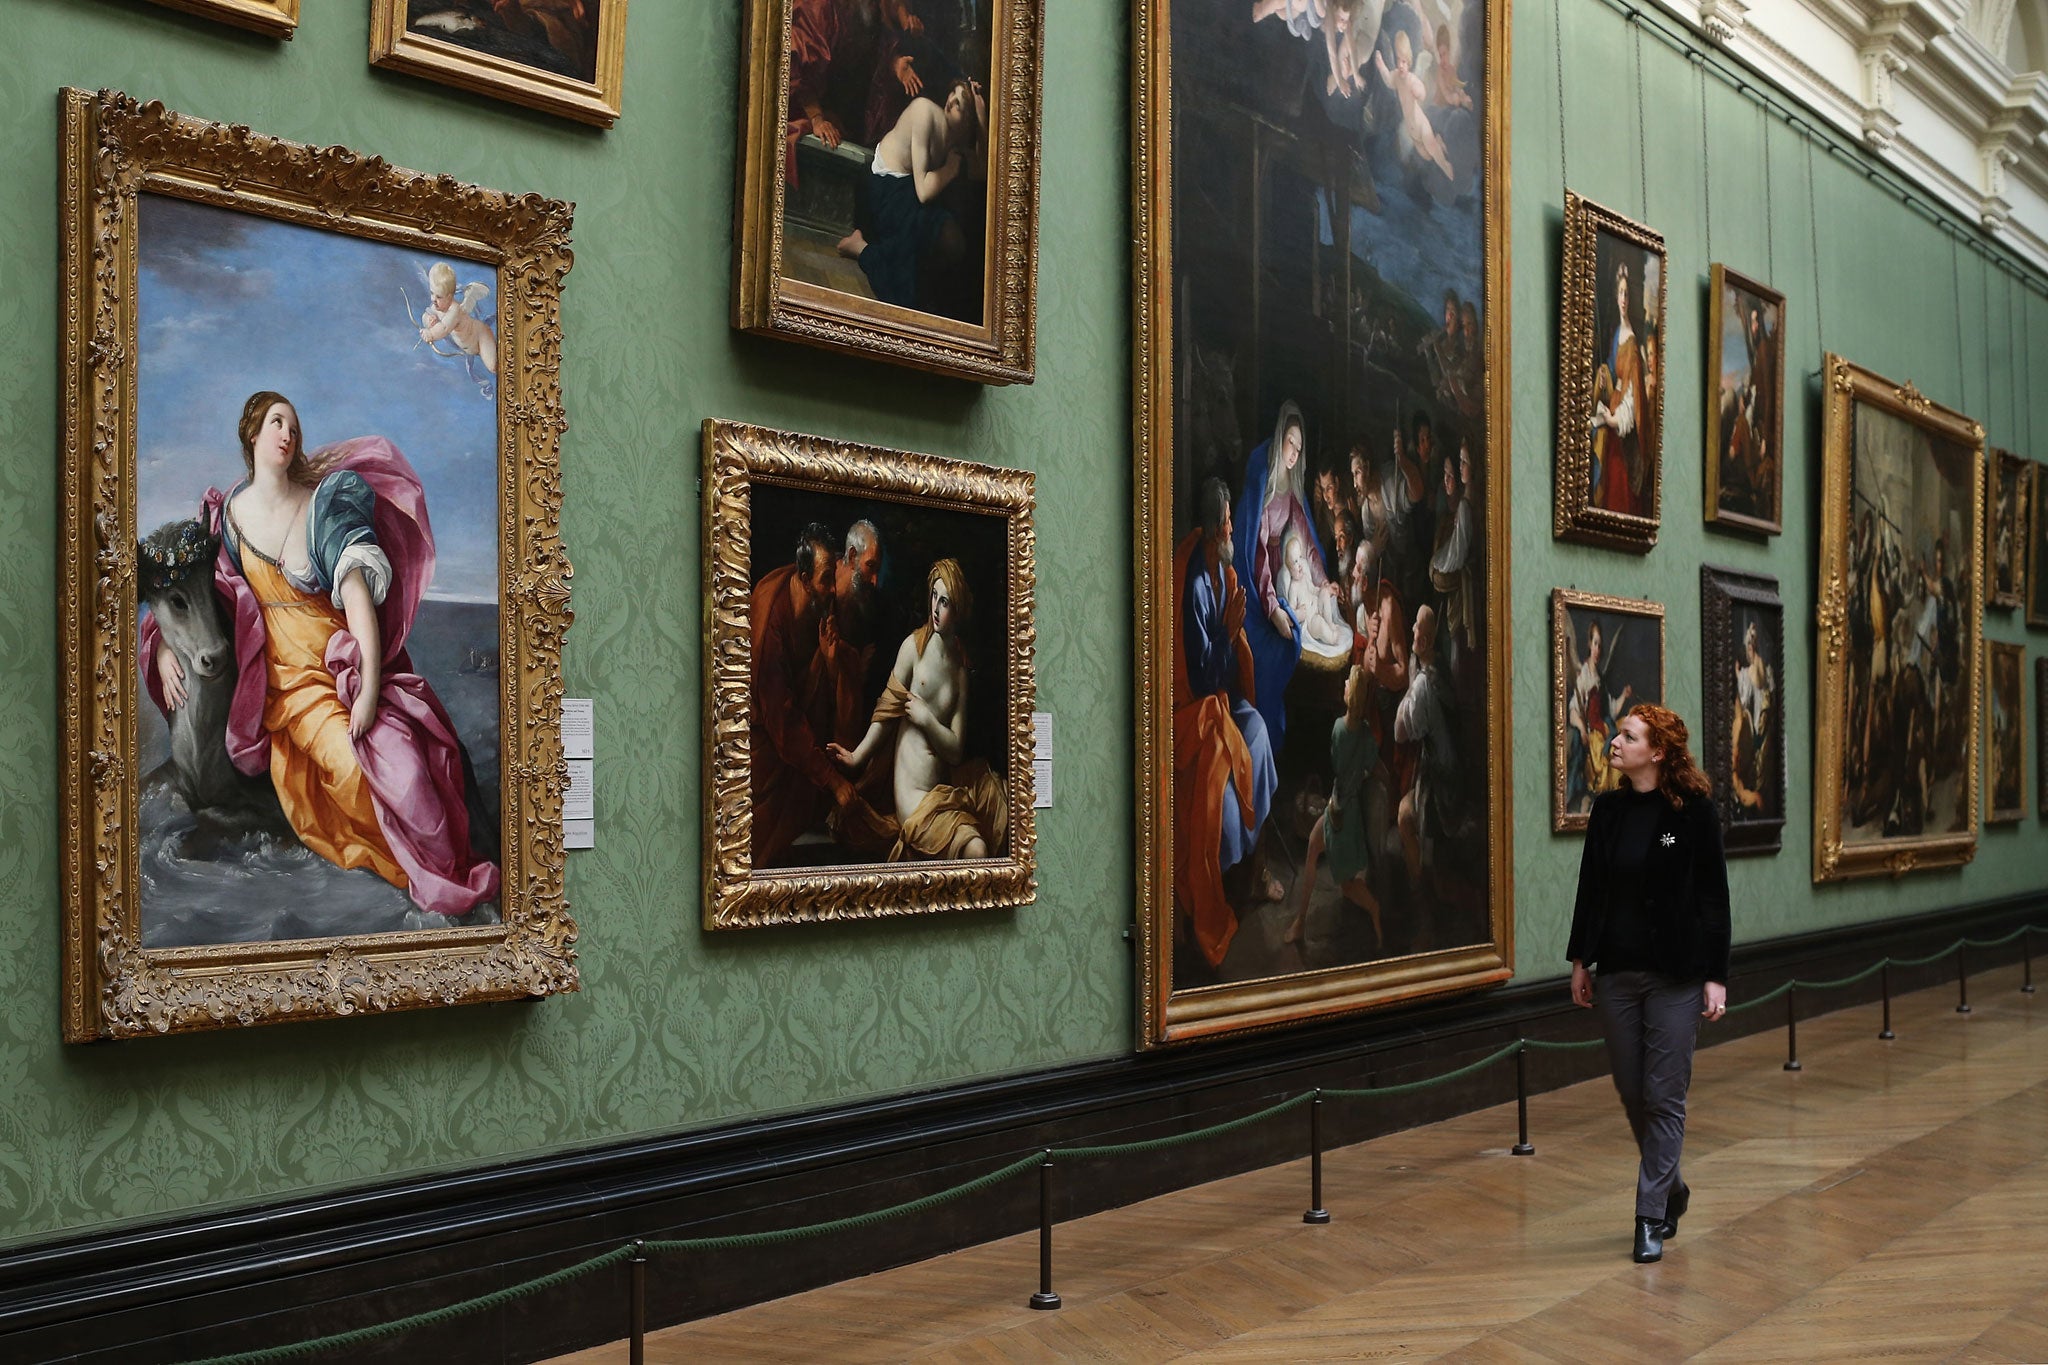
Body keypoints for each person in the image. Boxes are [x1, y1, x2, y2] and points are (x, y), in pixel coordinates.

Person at [145, 392, 500, 914]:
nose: (287, 434)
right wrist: (159, 650)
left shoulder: (323, 506)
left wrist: (371, 691)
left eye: (293, 425)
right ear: (251, 435)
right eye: (276, 423)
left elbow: (357, 599)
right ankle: (406, 863)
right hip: (286, 684)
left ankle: (441, 869)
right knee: (356, 775)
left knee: (404, 769)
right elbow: (184, 587)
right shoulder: (228, 518)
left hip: (341, 665)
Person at [1566, 703, 1730, 1265]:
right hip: (1615, 972)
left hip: (1677, 977)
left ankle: (1648, 1216)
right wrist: (1580, 960)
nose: (1614, 741)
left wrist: (1716, 976)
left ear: (1656, 753)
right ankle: (1673, 1187)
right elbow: (1590, 889)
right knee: (1635, 1093)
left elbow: (1713, 898)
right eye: (1617, 734)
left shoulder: (1692, 814)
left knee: (1664, 1095)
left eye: (1628, 736)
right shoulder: (1607, 811)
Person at [829, 558, 1007, 861]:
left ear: (959, 609)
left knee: (1003, 803)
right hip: (915, 800)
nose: (936, 608)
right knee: (976, 847)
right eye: (934, 597)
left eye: (946, 602)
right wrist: (857, 756)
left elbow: (954, 751)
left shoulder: (960, 672)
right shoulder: (913, 648)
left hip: (945, 789)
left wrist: (926, 719)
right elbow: (886, 712)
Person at [1174, 478, 1281, 968]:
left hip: (1220, 698)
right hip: (1194, 712)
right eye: (1229, 521)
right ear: (1217, 528)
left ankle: (1251, 865)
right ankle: (1216, 880)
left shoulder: (1222, 571)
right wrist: (1229, 632)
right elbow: (1199, 676)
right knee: (1222, 761)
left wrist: (1232, 633)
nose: (1233, 526)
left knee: (1257, 730)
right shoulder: (1195, 583)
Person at [751, 523, 862, 866]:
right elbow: (782, 720)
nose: (831, 590)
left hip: (800, 740)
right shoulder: (771, 623)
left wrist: (829, 663)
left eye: (832, 578)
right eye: (825, 579)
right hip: (767, 745)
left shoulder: (819, 605)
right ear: (802, 578)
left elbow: (819, 694)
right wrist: (833, 782)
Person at [836, 76, 986, 313]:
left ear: (969, 121)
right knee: (904, 287)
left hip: (909, 194)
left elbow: (981, 173)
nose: (950, 102)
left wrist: (982, 119)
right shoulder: (924, 112)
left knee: (954, 243)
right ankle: (860, 248)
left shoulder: (959, 136)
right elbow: (924, 193)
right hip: (884, 188)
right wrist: (949, 170)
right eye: (952, 94)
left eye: (959, 103)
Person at [1284, 662, 1382, 948]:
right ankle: (1301, 922)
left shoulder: (1340, 729)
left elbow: (1338, 765)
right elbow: (1370, 765)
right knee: (1315, 851)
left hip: (1339, 810)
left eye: (1347, 685)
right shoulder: (1365, 734)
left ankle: (1374, 911)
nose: (1344, 687)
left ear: (1351, 695)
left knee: (1348, 885)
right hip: (1346, 808)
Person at [1591, 261, 1650, 516]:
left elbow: (1632, 400)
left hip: (1622, 440)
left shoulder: (1633, 347)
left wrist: (1612, 420)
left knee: (1618, 501)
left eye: (1628, 293)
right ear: (1616, 296)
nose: (1624, 298)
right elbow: (1614, 376)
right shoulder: (1616, 333)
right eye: (1621, 293)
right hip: (1610, 420)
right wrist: (1604, 376)